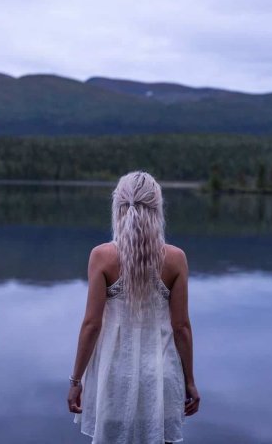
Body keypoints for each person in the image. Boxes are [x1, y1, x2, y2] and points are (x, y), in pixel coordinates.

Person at [68, 171, 200, 443]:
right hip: (160, 379)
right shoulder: (175, 259)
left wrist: (75, 381)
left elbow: (91, 325)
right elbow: (181, 327)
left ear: (118, 206)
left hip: (114, 377)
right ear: (157, 209)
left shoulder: (102, 256)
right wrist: (190, 382)